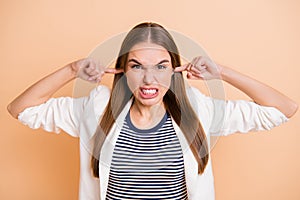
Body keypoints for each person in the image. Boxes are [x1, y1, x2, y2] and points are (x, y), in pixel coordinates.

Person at [7, 22, 298, 200]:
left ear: (175, 71)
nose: (149, 79)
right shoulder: (96, 109)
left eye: (161, 67)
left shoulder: (198, 110)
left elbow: (282, 109)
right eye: (137, 66)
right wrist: (72, 70)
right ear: (122, 70)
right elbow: (21, 109)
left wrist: (221, 72)